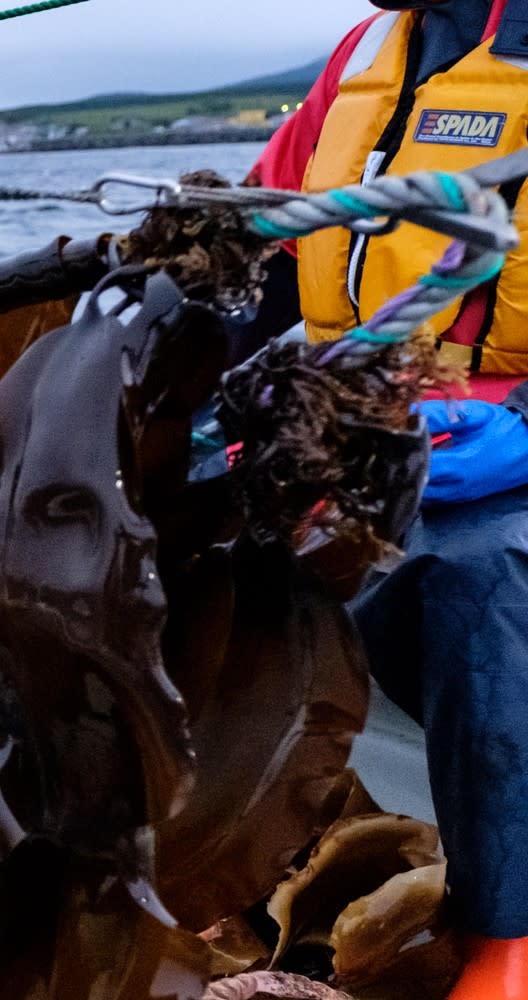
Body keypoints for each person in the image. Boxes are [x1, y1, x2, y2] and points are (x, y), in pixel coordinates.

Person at [253, 2, 528, 996]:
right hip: (354, 418)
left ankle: (507, 944)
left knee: (483, 572)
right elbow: (271, 252)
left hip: (500, 447)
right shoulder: (365, 53)